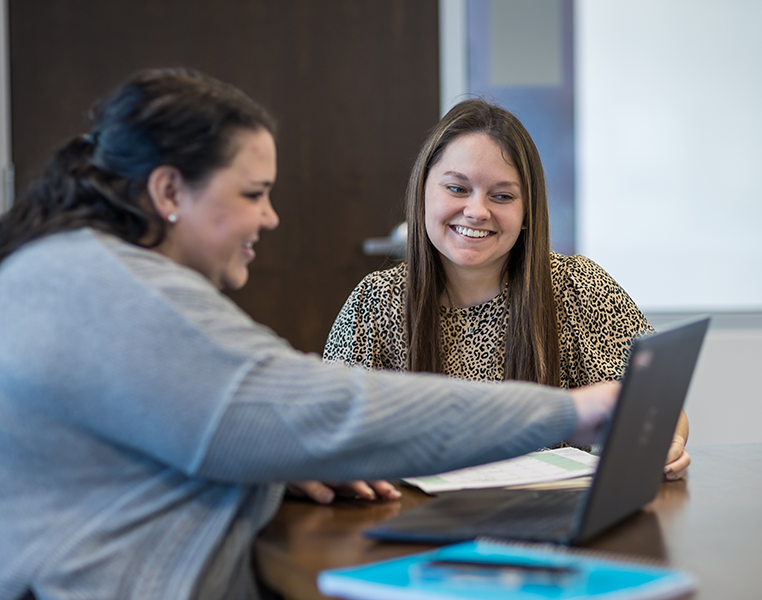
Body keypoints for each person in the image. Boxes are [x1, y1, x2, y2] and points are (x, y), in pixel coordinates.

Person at [0, 69, 618, 600]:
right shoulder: (117, 294)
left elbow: (233, 419)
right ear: (168, 191)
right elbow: (324, 410)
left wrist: (276, 457)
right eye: (253, 194)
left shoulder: (61, 268)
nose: (269, 217)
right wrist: (570, 411)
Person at [323, 99, 691, 482]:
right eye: (457, 188)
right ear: (423, 192)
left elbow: (659, 407)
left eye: (502, 196)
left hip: (548, 520)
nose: (477, 211)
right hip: (412, 524)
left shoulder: (577, 285)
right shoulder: (375, 301)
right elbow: (327, 431)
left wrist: (667, 438)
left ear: (527, 210)